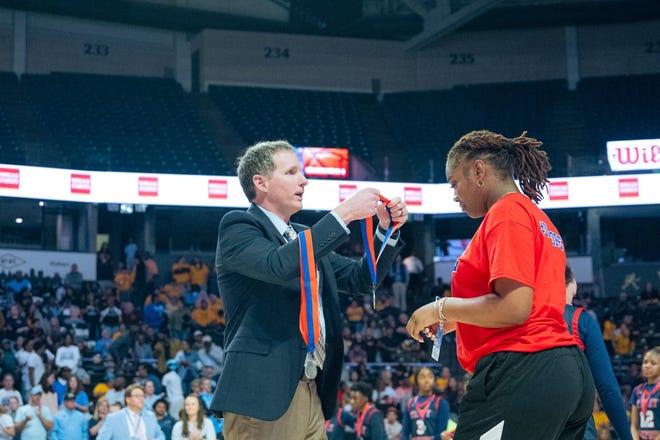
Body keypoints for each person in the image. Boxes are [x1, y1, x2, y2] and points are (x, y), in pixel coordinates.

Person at [209, 140, 408, 439]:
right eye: (290, 172)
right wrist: (343, 214)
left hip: (312, 388)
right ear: (260, 182)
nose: (304, 180)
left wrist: (386, 231)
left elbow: (360, 279)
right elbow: (277, 265)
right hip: (263, 392)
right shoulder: (239, 226)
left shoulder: (304, 236)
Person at [406, 130, 595, 439]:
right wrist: (456, 319)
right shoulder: (537, 217)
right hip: (564, 369)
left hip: (522, 369)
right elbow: (528, 305)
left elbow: (514, 308)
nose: (454, 194)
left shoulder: (506, 213)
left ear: (479, 170)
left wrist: (441, 307)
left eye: (454, 183)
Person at [564, 266, 633, 440]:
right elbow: (607, 387)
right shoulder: (581, 320)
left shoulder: (522, 318)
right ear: (573, 283)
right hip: (575, 427)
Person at [97, 383, 165, 440]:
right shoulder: (114, 418)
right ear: (128, 399)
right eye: (137, 396)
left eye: (142, 396)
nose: (141, 399)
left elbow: (161, 435)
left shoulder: (151, 416)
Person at [401, 367, 450, 440]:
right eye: (422, 377)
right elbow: (405, 434)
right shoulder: (409, 403)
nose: (427, 380)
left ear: (434, 380)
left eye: (430, 377)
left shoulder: (441, 403)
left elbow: (442, 433)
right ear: (417, 381)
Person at [630, 346, 660, 440]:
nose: (647, 366)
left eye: (653, 363)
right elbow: (634, 425)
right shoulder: (637, 390)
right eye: (645, 362)